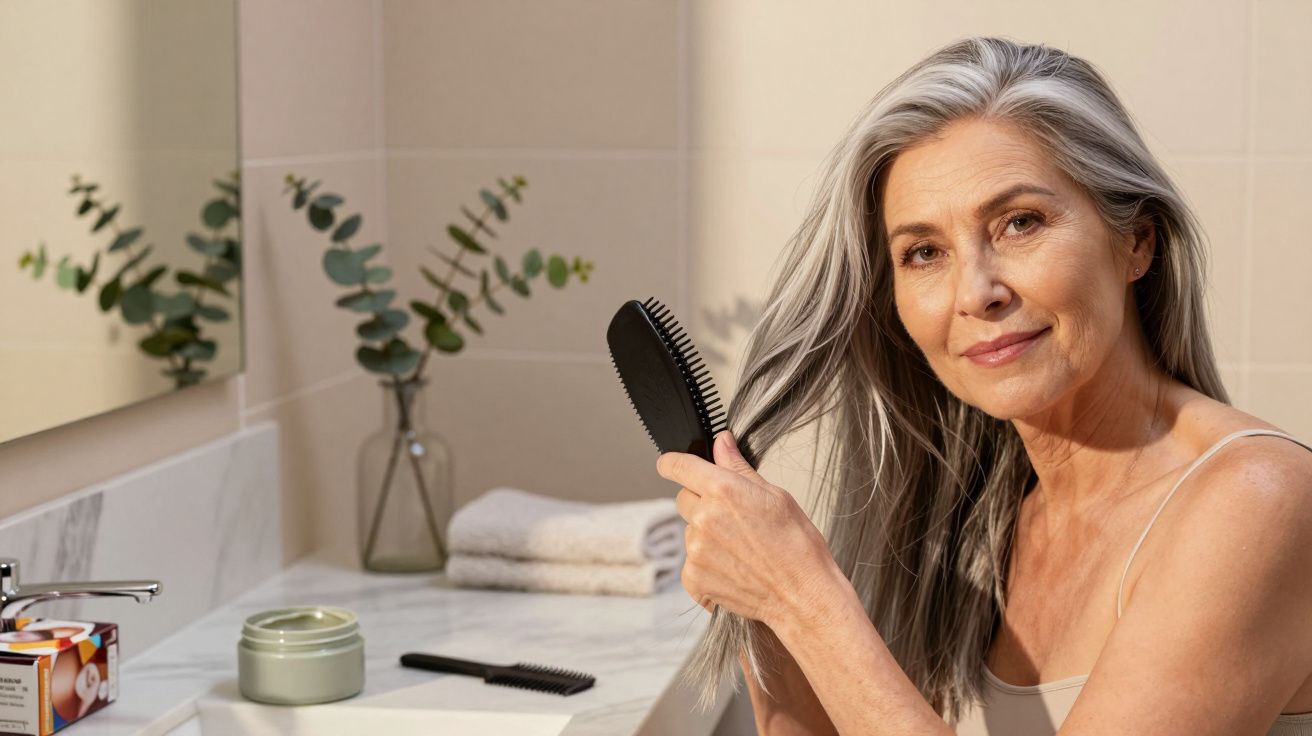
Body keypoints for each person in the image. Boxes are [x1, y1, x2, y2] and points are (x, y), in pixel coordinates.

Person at [656, 36, 1312, 735]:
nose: (976, 292)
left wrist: (802, 595)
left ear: (1137, 241)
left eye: (1020, 222)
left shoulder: (1257, 500)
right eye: (924, 253)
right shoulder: (987, 520)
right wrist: (760, 602)